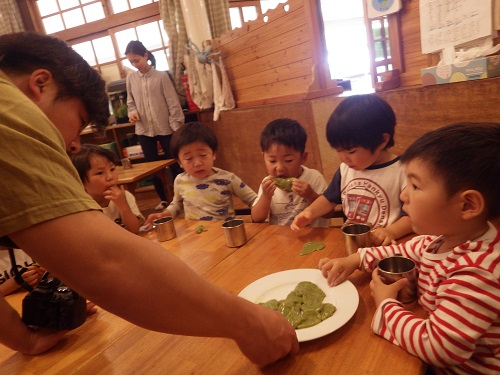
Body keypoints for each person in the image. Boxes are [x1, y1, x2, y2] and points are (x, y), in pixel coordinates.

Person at [0, 32, 298, 363]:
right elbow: (107, 261)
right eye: (80, 122)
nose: (73, 144)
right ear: (40, 85)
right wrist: (251, 322)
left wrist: (21, 338)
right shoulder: (9, 111)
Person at [319, 123, 500, 374]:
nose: (404, 195)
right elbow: (406, 250)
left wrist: (385, 305)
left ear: (467, 205)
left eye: (415, 186)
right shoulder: (445, 239)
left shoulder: (477, 274)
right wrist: (356, 259)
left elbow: (438, 347)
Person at [291, 94, 413, 245]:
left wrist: (390, 231)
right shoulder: (345, 169)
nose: (343, 158)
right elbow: (329, 199)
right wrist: (309, 212)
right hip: (352, 243)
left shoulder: (403, 171)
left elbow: (412, 216)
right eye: (338, 150)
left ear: (382, 140)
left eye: (351, 151)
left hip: (387, 247)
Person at [145, 121, 257, 225]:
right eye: (188, 158)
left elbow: (253, 200)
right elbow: (176, 205)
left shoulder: (228, 178)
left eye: (203, 155)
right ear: (180, 162)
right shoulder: (180, 181)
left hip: (224, 234)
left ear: (213, 154)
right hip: (195, 235)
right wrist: (164, 214)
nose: (197, 163)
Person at [125, 40, 184, 211]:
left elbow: (173, 104)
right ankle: (164, 199)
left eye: (136, 60)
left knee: (174, 164)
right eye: (131, 62)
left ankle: (180, 199)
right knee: (151, 167)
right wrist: (132, 113)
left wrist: (176, 128)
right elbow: (130, 103)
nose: (134, 65)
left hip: (166, 128)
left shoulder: (161, 76)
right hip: (144, 130)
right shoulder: (130, 79)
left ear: (145, 55)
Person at [251, 118, 330, 227]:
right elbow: (256, 218)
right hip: (281, 238)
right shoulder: (267, 183)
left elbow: (329, 214)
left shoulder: (314, 177)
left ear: (303, 157)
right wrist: (266, 196)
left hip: (312, 236)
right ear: (263, 157)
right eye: (272, 161)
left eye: (288, 160)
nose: (279, 168)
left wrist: (311, 195)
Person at [70, 144, 144, 234]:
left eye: (112, 169)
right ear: (80, 181)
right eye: (100, 173)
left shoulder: (125, 197)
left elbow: (134, 230)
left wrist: (123, 206)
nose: (110, 177)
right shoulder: (80, 206)